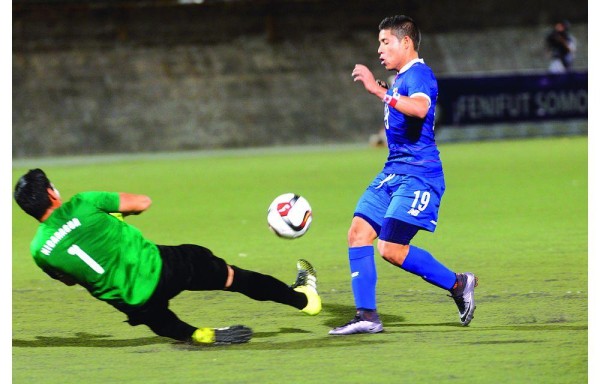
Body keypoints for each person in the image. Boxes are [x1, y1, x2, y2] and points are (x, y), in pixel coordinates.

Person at [14, 168, 321, 345]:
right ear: (52, 192)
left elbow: (70, 280)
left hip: (134, 303)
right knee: (228, 275)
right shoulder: (82, 202)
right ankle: (304, 300)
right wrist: (116, 218)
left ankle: (198, 334)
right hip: (162, 268)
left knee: (158, 319)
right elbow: (142, 203)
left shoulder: (39, 251)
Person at [329, 15, 477, 336]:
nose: (379, 50)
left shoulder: (420, 74)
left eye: (385, 42)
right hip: (393, 171)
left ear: (405, 42)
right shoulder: (401, 79)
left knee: (390, 249)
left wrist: (379, 92)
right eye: (379, 43)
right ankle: (367, 316)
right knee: (357, 234)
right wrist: (388, 91)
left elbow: (422, 108)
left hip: (419, 176)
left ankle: (459, 283)